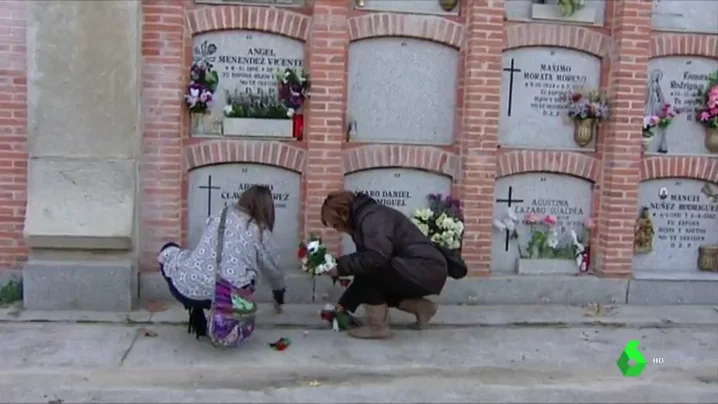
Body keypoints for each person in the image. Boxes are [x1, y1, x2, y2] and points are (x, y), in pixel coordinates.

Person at [157, 185, 286, 340]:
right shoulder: (260, 232)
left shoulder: (220, 215)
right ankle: (223, 320)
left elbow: (204, 251)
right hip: (229, 299)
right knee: (246, 277)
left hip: (190, 289)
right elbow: (274, 268)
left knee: (168, 251)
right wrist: (279, 293)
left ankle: (196, 312)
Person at [320, 191, 448, 339]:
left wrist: (339, 267)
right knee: (376, 285)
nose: (338, 230)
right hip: (423, 269)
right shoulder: (367, 216)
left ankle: (378, 327)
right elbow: (367, 265)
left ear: (343, 213)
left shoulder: (371, 218)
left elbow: (375, 259)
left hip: (424, 268)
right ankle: (423, 308)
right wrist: (343, 306)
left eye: (336, 224)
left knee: (371, 272)